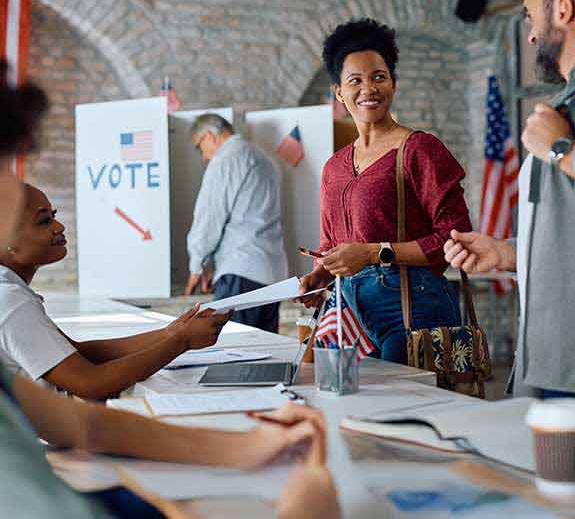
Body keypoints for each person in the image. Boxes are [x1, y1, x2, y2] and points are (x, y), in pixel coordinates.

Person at [0, 62, 341, 518]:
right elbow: (87, 383)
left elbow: (83, 420)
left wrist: (245, 446)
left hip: (240, 268)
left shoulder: (229, 160)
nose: (9, 185)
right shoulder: (6, 297)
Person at [444, 0, 575, 399]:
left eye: (530, 16)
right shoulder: (567, 103)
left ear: (561, 9)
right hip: (551, 362)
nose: (529, 36)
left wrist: (562, 149)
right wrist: (507, 254)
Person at [298, 19, 472, 363]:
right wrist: (320, 273)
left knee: (400, 412)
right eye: (355, 80)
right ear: (338, 91)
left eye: (379, 77)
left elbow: (455, 238)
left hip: (411, 306)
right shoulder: (333, 167)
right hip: (349, 310)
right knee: (354, 411)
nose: (369, 89)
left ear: (393, 83)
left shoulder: (419, 149)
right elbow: (332, 245)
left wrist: (372, 253)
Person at [0, 181, 232, 399]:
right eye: (44, 221)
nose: (59, 227)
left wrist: (171, 332)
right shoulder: (11, 301)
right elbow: (90, 383)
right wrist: (181, 341)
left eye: (54, 217)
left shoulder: (9, 294)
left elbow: (77, 353)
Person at [184, 113, 288, 333]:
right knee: (266, 354)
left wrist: (197, 264)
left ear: (210, 136)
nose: (204, 156)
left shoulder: (225, 160)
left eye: (199, 147)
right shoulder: (263, 158)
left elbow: (209, 218)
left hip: (241, 272)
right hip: (272, 275)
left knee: (233, 352)